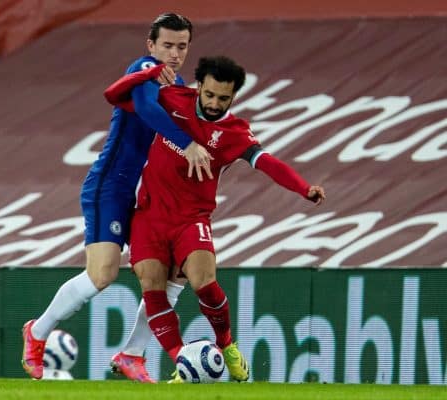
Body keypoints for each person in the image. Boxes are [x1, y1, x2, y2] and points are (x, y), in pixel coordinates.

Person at [103, 56, 326, 382]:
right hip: (149, 215)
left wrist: (304, 188)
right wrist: (147, 73)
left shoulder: (235, 131)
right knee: (152, 288)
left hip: (192, 218)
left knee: (203, 282)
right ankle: (184, 362)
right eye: (209, 95)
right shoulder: (171, 99)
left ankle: (227, 345)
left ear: (233, 96)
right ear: (199, 87)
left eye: (223, 98)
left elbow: (267, 163)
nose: (214, 103)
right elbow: (114, 95)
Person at [21, 13, 214, 382]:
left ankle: (132, 353)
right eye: (168, 45)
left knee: (171, 273)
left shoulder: (178, 84)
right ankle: (38, 331)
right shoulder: (143, 69)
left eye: (182, 46)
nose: (174, 54)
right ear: (151, 45)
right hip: (110, 185)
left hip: (142, 194)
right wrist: (186, 143)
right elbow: (145, 109)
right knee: (102, 275)